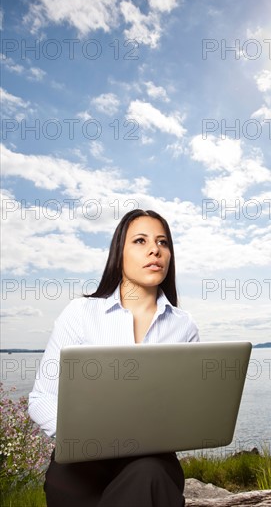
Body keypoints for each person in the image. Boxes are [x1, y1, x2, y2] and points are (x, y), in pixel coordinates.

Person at [29, 209, 200, 507]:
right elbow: (42, 397)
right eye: (140, 241)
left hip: (150, 461)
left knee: (150, 474)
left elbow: (188, 410)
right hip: (82, 462)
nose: (154, 250)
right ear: (118, 253)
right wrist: (83, 434)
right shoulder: (81, 314)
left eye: (163, 242)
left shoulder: (183, 326)